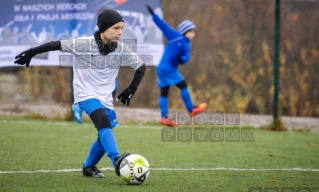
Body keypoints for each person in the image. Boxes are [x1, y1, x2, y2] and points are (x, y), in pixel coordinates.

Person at [14, 9, 146, 178]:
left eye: (122, 28)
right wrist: (32, 52)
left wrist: (131, 89)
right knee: (103, 121)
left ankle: (89, 167)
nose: (120, 32)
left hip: (105, 98)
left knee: (104, 132)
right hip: (85, 94)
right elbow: (56, 44)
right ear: (104, 28)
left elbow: (141, 66)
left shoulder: (120, 48)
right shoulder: (84, 44)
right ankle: (118, 161)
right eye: (116, 28)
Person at [146, 5, 207, 127]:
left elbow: (186, 59)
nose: (193, 34)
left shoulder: (188, 45)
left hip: (164, 69)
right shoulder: (175, 36)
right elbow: (163, 26)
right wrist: (153, 15)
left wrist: (181, 59)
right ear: (184, 31)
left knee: (164, 92)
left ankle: (164, 118)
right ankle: (191, 109)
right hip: (167, 68)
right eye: (191, 31)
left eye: (194, 31)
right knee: (183, 85)